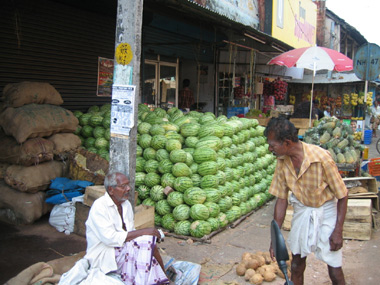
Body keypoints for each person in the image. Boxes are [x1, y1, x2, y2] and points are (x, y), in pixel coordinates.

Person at [264, 117, 348, 285]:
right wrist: (275, 237)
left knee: (334, 267)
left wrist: (338, 230)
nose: (269, 148)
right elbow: (281, 198)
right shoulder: (282, 161)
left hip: (326, 211)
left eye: (272, 145)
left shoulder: (321, 158)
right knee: (296, 265)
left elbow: (342, 195)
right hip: (303, 211)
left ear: (286, 143)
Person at [84, 172, 170, 284]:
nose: (128, 188)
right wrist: (146, 231)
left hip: (121, 248)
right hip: (104, 253)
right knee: (146, 242)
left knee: (148, 243)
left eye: (128, 185)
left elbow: (130, 232)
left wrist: (150, 234)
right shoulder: (99, 207)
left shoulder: (126, 205)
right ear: (111, 190)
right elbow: (110, 239)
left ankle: (159, 278)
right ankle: (155, 279)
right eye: (123, 186)